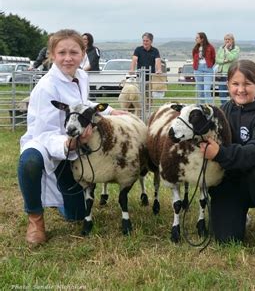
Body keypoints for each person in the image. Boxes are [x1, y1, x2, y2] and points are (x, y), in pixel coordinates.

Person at [18, 29, 127, 247]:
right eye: (62, 53)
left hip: (73, 145)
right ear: (52, 54)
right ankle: (35, 220)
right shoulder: (46, 87)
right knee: (29, 161)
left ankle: (60, 200)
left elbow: (83, 104)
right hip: (47, 144)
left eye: (74, 52)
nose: (68, 58)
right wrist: (69, 143)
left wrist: (110, 111)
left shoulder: (81, 76)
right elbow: (43, 133)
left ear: (83, 53)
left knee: (76, 215)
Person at [199, 59, 255, 249]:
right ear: (228, 84)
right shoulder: (222, 112)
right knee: (227, 240)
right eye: (235, 84)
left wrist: (220, 153)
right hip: (228, 183)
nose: (241, 90)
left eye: (247, 84)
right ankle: (238, 214)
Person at [129, 32, 164, 99]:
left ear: (151, 41)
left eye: (147, 41)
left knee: (149, 96)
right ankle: (140, 109)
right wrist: (132, 69)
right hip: (140, 77)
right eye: (144, 41)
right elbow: (134, 59)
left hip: (150, 77)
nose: (145, 42)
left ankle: (149, 109)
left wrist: (159, 70)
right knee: (139, 96)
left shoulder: (155, 50)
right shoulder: (138, 49)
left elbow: (158, 60)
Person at [215, 33, 240, 105]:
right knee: (222, 91)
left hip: (231, 73)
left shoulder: (236, 48)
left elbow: (232, 58)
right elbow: (217, 60)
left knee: (232, 90)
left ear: (232, 40)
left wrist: (226, 49)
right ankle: (224, 106)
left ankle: (233, 105)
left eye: (228, 39)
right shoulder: (220, 48)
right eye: (225, 39)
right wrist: (223, 61)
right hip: (221, 73)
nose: (227, 41)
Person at [192, 32, 215, 104]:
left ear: (202, 39)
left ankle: (210, 107)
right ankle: (201, 107)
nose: (196, 39)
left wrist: (209, 65)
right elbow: (194, 57)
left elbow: (213, 58)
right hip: (198, 69)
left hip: (208, 69)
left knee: (207, 90)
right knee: (200, 90)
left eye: (197, 38)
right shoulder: (195, 48)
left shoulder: (210, 47)